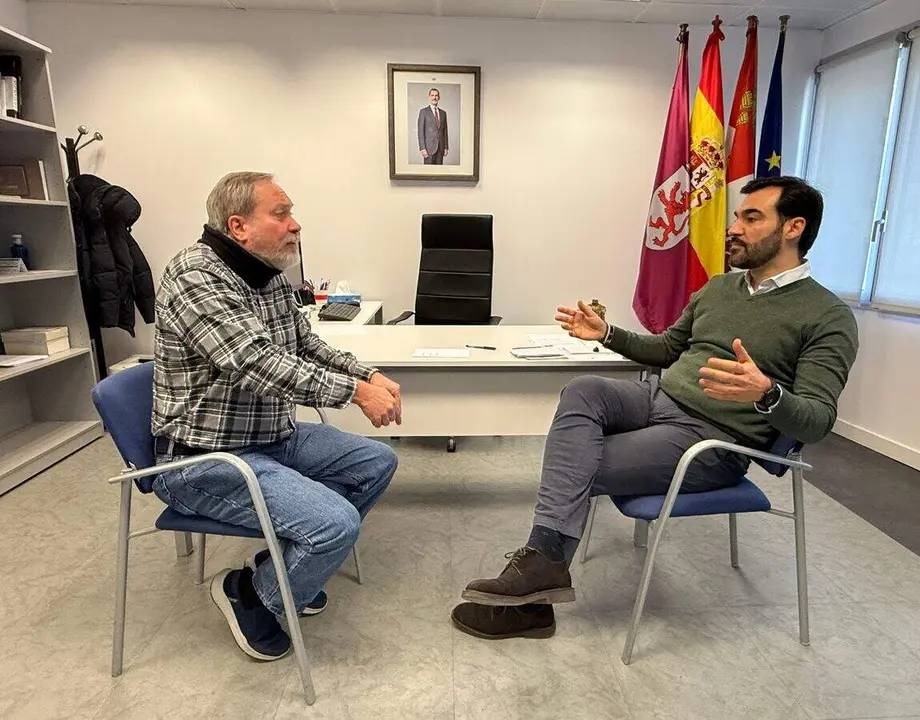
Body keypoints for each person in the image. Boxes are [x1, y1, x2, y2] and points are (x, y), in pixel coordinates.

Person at [451, 176, 859, 639]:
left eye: (751, 217)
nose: (735, 228)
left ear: (793, 228)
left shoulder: (827, 315)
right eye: (737, 217)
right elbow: (668, 349)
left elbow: (819, 420)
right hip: (658, 398)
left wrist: (766, 393)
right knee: (584, 388)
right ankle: (542, 575)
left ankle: (537, 585)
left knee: (576, 463)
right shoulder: (720, 288)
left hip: (710, 440)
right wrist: (607, 334)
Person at [151, 171, 402, 660]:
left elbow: (304, 343)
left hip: (270, 438)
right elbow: (253, 361)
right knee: (334, 524)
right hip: (205, 458)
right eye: (281, 214)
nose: (296, 225)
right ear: (238, 225)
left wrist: (367, 372)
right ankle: (253, 597)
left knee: (376, 463)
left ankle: (281, 566)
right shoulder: (194, 275)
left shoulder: (265, 272)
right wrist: (354, 392)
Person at [417, 88, 449, 165]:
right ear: (429, 97)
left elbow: (445, 132)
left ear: (439, 97)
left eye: (436, 95)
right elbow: (420, 131)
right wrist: (422, 148)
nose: (434, 97)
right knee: (428, 173)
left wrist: (446, 147)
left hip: (440, 148)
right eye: (432, 95)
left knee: (439, 173)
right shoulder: (423, 112)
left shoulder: (443, 113)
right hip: (428, 149)